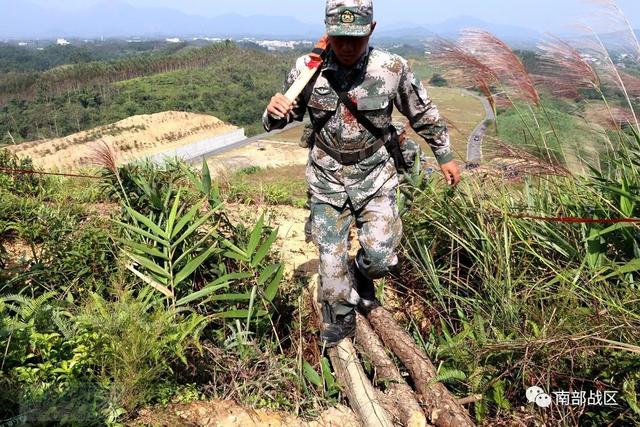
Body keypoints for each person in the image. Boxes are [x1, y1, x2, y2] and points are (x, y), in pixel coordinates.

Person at [263, 0, 461, 347]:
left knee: (382, 257)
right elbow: (281, 118)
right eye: (340, 38)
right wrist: (274, 112)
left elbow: (422, 111)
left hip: (375, 175)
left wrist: (444, 154)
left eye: (356, 38)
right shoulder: (308, 69)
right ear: (328, 33)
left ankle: (362, 271)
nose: (348, 47)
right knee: (331, 265)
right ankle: (341, 319)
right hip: (326, 178)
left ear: (371, 29)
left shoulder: (390, 68)